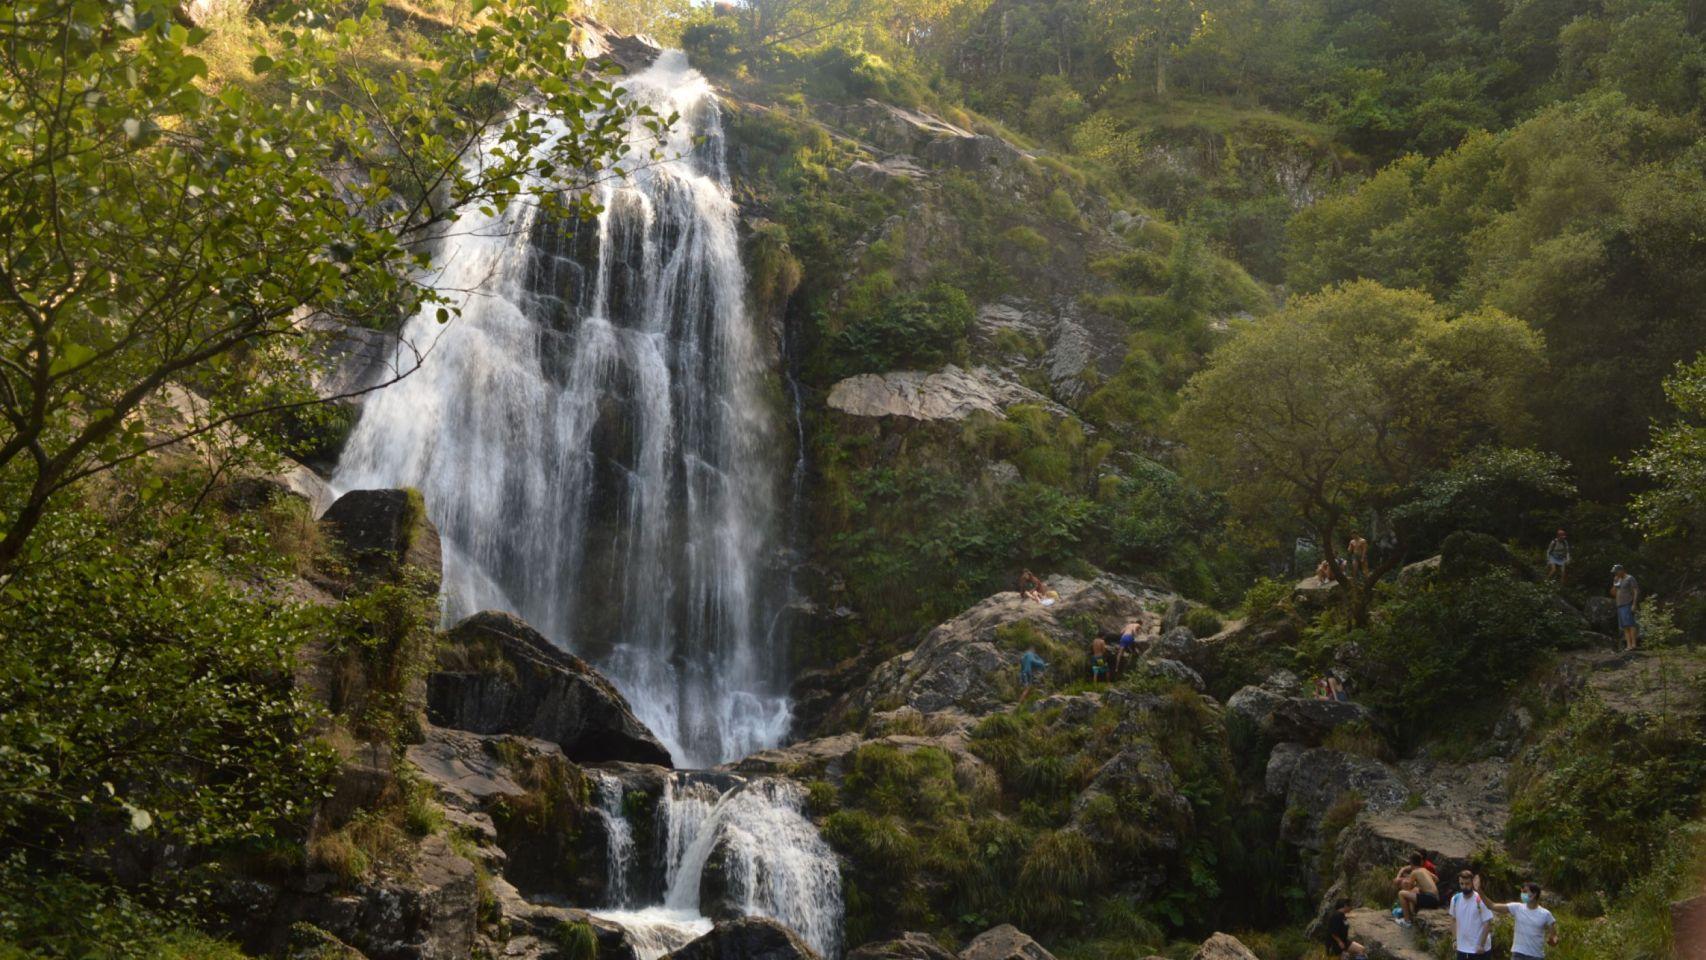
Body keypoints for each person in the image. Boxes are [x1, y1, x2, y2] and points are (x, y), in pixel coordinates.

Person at [1489, 882, 1559, 960]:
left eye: (1525, 892)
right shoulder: (1517, 907)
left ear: (1534, 894)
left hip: (1536, 956)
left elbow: (1554, 936)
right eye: (1521, 892)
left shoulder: (1546, 914)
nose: (1522, 894)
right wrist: (1479, 891)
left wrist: (1553, 941)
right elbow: (1492, 906)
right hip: (1518, 955)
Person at [1448, 870, 1496, 958]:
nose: (1464, 886)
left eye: (1467, 884)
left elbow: (1487, 923)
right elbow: (1453, 920)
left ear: (1472, 883)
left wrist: (1481, 945)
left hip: (1479, 950)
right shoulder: (1455, 899)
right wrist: (1454, 940)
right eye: (1461, 884)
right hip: (1462, 948)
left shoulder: (1480, 899)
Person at [1395, 854, 1440, 926]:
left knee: (1401, 893)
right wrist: (1422, 887)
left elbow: (1409, 887)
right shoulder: (1424, 869)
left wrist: (1402, 881)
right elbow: (1436, 879)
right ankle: (1412, 914)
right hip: (1436, 899)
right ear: (1421, 862)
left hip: (1430, 899)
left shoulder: (1414, 872)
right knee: (1415, 890)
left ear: (1411, 863)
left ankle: (1407, 921)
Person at [1611, 564, 1640, 651]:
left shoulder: (1630, 578)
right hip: (1619, 605)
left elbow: (1636, 591)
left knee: (1631, 624)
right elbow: (1613, 593)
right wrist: (1615, 583)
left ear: (1621, 570)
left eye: (1616, 572)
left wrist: (1634, 604)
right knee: (1624, 626)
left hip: (1628, 603)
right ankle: (1628, 645)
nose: (1615, 574)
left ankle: (1634, 644)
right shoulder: (1618, 580)